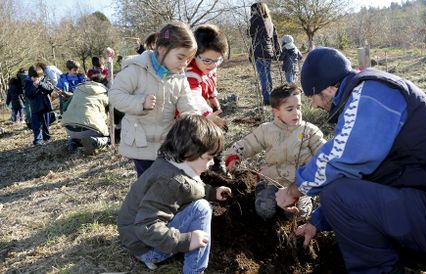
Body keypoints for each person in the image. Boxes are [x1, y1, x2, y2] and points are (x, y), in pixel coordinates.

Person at [275, 47, 426, 273]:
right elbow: (368, 174)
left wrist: (295, 189)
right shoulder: (367, 96)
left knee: (336, 194)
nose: (313, 105)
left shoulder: (373, 93)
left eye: (311, 97)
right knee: (340, 192)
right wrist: (317, 221)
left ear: (330, 88)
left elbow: (343, 158)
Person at [117, 114, 232, 272]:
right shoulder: (170, 182)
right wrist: (186, 240)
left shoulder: (173, 163)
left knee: (199, 203)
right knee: (202, 208)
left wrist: (212, 193)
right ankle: (194, 270)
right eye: (208, 157)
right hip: (146, 247)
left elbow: (190, 187)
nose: (212, 162)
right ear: (188, 152)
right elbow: (146, 226)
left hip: (139, 240)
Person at [109, 21, 200, 178]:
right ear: (162, 50)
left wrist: (194, 122)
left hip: (166, 141)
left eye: (188, 59)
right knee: (148, 182)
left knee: (167, 180)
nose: (184, 64)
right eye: (180, 57)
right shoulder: (136, 70)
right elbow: (115, 95)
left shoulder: (178, 77)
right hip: (140, 142)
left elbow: (188, 104)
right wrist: (140, 103)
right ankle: (144, 201)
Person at [225, 83, 326, 220]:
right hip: (272, 180)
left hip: (298, 184)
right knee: (264, 210)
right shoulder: (267, 130)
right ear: (276, 112)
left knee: (298, 214)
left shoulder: (309, 131)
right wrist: (234, 155)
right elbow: (249, 143)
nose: (296, 112)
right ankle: (262, 190)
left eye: (299, 107)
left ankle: (308, 200)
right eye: (290, 109)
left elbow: (324, 152)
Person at [61, 73, 110, 154]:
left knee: (76, 135)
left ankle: (72, 142)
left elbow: (65, 107)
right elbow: (117, 114)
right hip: (90, 129)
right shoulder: (105, 94)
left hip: (69, 127)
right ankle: (95, 141)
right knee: (109, 137)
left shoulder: (78, 89)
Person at [249, 2, 281, 106]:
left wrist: (252, 19)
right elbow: (275, 37)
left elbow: (250, 33)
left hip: (260, 50)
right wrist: (276, 51)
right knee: (267, 75)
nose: (252, 12)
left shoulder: (257, 20)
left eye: (253, 10)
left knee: (263, 76)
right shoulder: (269, 21)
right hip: (268, 52)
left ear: (258, 10)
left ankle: (267, 99)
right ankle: (269, 97)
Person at [24, 64, 55, 146]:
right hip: (35, 107)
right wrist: (34, 86)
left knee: (46, 123)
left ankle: (46, 136)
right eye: (35, 78)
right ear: (31, 77)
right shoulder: (28, 83)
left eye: (39, 77)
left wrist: (40, 84)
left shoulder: (45, 79)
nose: (37, 79)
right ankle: (38, 139)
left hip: (46, 105)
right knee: (36, 125)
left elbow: (50, 88)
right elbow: (28, 94)